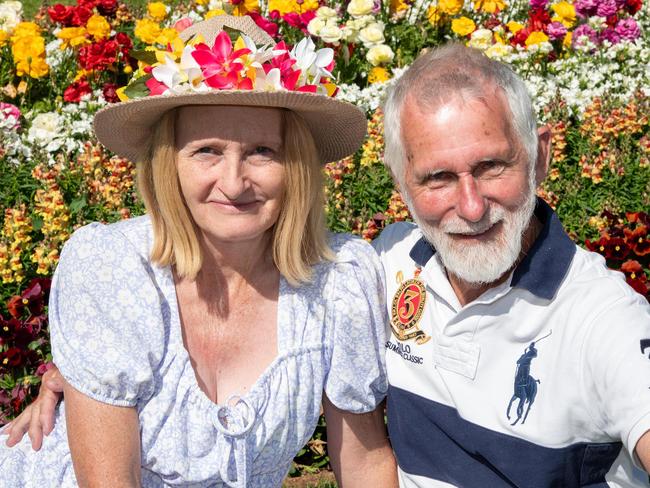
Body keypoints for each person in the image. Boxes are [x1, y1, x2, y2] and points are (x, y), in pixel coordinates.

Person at [0, 15, 397, 487]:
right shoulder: (116, 271)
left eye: (263, 152)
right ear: (169, 164)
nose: (233, 182)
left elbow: (365, 462)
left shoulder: (339, 280)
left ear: (297, 165)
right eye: (207, 150)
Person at [373, 43, 650, 486]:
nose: (471, 207)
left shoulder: (601, 317)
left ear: (540, 156)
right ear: (400, 179)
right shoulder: (390, 261)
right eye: (438, 178)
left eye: (492, 167)